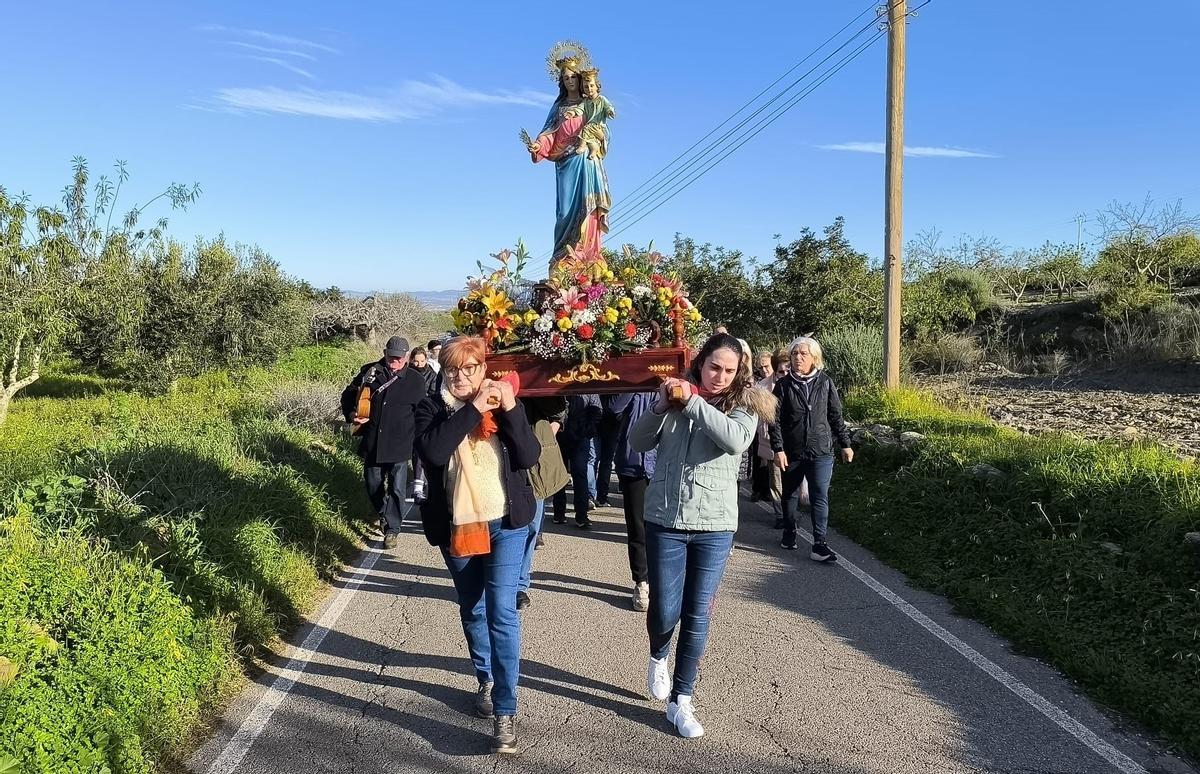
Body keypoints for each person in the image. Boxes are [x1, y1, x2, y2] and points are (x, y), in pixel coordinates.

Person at [630, 334, 777, 739]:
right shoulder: (673, 396)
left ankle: (682, 700)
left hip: (714, 525)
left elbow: (733, 440)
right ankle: (658, 653)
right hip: (665, 520)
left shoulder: (747, 404)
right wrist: (660, 407)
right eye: (714, 367)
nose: (721, 377)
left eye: (729, 371)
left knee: (698, 614)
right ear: (700, 362)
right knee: (664, 609)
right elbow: (637, 442)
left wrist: (692, 401)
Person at [413, 336, 541, 755]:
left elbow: (527, 455)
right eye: (453, 369)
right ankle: (485, 677)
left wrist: (509, 409)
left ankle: (505, 711)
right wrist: (473, 409)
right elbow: (433, 451)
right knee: (473, 607)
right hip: (458, 527)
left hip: (506, 524)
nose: (462, 376)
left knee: (502, 612)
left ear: (483, 368)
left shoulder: (501, 404)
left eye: (470, 368)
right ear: (443, 372)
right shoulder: (432, 408)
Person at [768, 336, 854, 561]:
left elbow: (835, 415)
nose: (797, 358)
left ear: (814, 358)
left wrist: (845, 443)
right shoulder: (783, 385)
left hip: (821, 450)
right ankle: (789, 532)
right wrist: (778, 449)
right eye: (795, 354)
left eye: (803, 354)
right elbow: (773, 420)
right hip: (792, 450)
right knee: (789, 494)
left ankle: (819, 543)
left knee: (819, 495)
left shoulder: (825, 382)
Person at [526, 44, 612, 266]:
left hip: (587, 161)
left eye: (573, 77)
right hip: (566, 163)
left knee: (589, 209)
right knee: (565, 212)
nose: (570, 81)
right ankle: (564, 257)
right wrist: (538, 146)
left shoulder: (590, 103)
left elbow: (603, 126)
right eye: (565, 78)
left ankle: (589, 256)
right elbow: (548, 133)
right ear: (562, 82)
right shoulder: (559, 107)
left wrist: (599, 136)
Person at [340, 336, 427, 549]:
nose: (394, 362)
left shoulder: (416, 381)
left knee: (397, 489)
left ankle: (392, 530)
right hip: (373, 441)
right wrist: (352, 414)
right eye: (391, 357)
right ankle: (383, 513)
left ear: (406, 357)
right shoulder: (369, 372)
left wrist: (419, 440)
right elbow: (348, 396)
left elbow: (422, 413)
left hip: (400, 443)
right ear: (385, 352)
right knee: (373, 485)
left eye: (399, 358)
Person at [516, 397, 569, 611]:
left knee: (530, 528)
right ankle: (497, 582)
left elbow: (559, 410)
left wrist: (546, 437)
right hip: (497, 451)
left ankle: (519, 585)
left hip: (533, 464)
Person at [610, 391, 656, 611]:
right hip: (633, 463)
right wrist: (632, 385)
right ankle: (641, 581)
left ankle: (662, 581)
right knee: (637, 527)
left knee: (662, 528)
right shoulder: (631, 388)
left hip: (663, 464)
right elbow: (614, 409)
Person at [755, 351, 795, 526]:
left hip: (793, 441)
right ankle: (781, 515)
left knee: (791, 480)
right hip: (771, 440)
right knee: (776, 479)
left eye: (787, 371)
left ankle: (791, 514)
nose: (784, 375)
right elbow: (760, 416)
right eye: (781, 371)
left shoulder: (797, 385)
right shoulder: (763, 387)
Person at [552, 393, 600, 528]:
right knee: (560, 475)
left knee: (580, 475)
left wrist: (588, 427)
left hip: (579, 435)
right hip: (561, 434)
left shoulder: (587, 386)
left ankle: (581, 514)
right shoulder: (561, 385)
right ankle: (559, 512)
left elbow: (596, 409)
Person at [594, 395, 620, 507]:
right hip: (612, 424)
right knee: (605, 462)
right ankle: (601, 496)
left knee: (593, 460)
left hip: (598, 421)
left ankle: (591, 494)